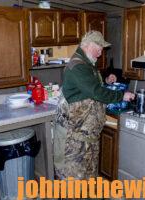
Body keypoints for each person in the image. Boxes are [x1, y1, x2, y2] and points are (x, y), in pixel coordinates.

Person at [53, 30, 135, 180]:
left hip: (86, 138)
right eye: (99, 47)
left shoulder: (86, 63)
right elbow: (95, 92)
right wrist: (121, 95)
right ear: (88, 45)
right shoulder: (78, 66)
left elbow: (87, 88)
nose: (101, 52)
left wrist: (105, 82)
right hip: (74, 141)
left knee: (87, 180)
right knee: (73, 184)